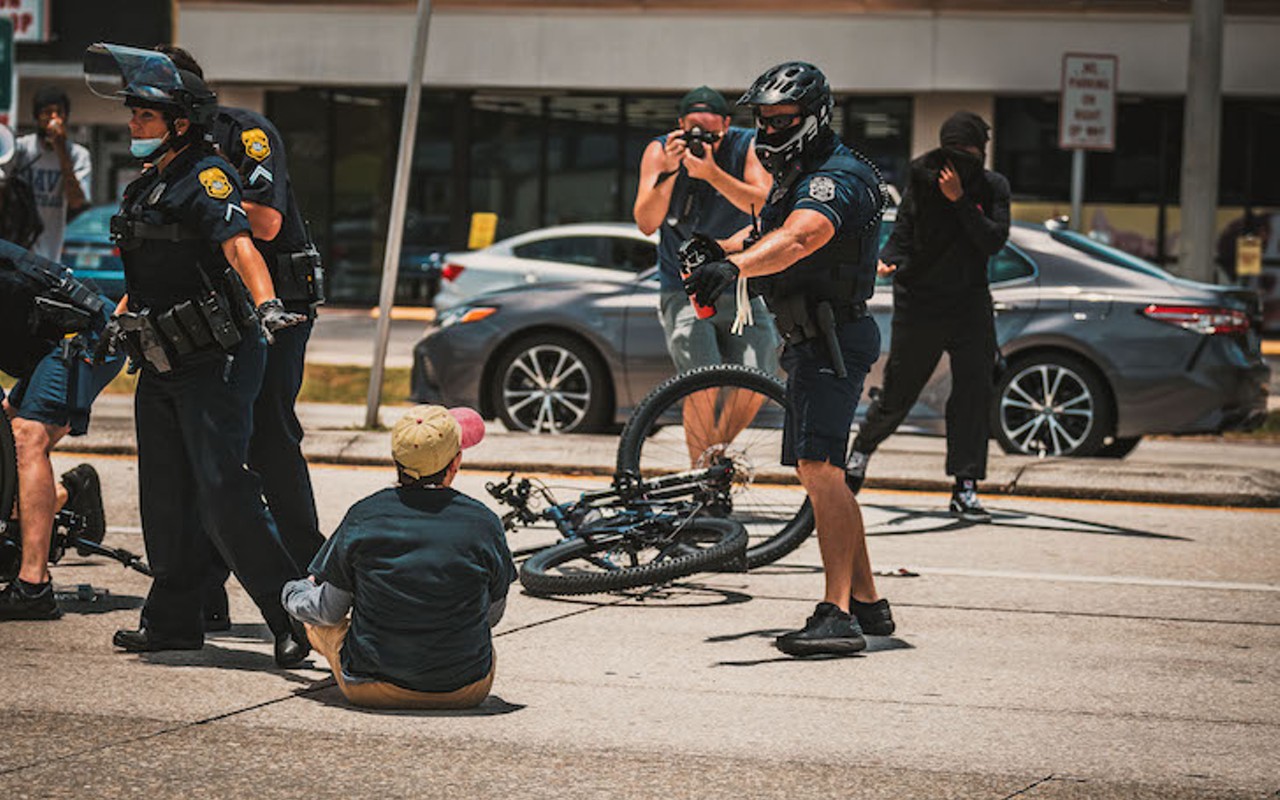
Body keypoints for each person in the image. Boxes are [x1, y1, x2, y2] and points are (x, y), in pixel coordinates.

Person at [84, 43, 309, 666]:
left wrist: (266, 305)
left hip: (216, 360)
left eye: (145, 116)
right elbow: (154, 274)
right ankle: (175, 619)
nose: (133, 124)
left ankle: (290, 616)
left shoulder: (206, 176)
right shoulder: (148, 186)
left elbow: (241, 246)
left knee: (223, 492)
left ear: (179, 122)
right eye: (132, 114)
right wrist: (116, 321)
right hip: (160, 362)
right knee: (165, 495)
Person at [683, 61, 893, 656]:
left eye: (783, 120)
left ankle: (838, 615)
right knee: (825, 475)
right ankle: (870, 604)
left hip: (833, 340)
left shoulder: (836, 177)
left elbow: (802, 238)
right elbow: (766, 236)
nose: (770, 130)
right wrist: (717, 250)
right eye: (764, 120)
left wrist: (735, 268)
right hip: (811, 339)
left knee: (820, 471)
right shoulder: (799, 171)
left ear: (815, 117)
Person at [154, 46, 326, 633]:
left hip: (277, 302)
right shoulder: (170, 154)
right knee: (212, 454)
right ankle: (203, 593)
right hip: (215, 316)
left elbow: (267, 220)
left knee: (268, 440)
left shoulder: (243, 132)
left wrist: (206, 210)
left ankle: (314, 578)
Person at [283, 405, 516, 710]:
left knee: (321, 624)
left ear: (396, 460)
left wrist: (292, 593)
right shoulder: (485, 522)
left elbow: (329, 610)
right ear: (455, 462)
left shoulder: (363, 516)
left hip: (369, 687)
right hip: (465, 688)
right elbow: (491, 616)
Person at [844, 111, 1011, 523]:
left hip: (971, 303)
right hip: (920, 302)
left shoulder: (992, 187)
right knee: (900, 390)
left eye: (970, 153)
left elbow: (993, 240)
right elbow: (905, 225)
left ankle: (965, 485)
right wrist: (890, 258)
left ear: (982, 151)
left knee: (973, 393)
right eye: (954, 151)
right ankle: (860, 454)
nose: (961, 160)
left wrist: (960, 203)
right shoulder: (922, 175)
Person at [633, 86, 779, 464]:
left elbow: (764, 204)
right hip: (685, 287)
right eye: (692, 131)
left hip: (740, 282)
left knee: (757, 378)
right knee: (703, 382)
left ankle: (711, 459)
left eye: (710, 133)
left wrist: (712, 174)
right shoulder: (659, 150)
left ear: (728, 126)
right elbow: (647, 223)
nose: (700, 140)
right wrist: (668, 172)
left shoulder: (747, 146)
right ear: (679, 126)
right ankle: (705, 480)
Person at [0, 237, 121, 620]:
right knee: (8, 439)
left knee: (25, 438)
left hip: (86, 333)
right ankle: (70, 493)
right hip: (46, 343)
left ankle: (34, 587)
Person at [10, 87, 92, 262]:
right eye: (47, 112)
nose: (54, 118)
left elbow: (76, 201)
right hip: (19, 249)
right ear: (37, 116)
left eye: (59, 113)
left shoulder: (78, 155)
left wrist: (61, 151)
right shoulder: (21, 149)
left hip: (52, 254)